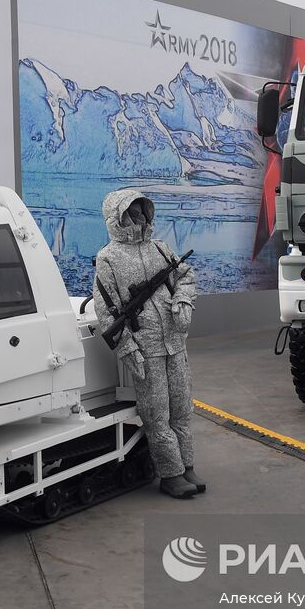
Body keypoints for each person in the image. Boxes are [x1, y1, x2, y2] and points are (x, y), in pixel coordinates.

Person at [93, 191, 203, 499]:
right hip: (146, 347)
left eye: (142, 211)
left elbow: (186, 275)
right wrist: (129, 350)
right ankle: (171, 473)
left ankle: (188, 464)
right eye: (132, 213)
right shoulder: (108, 258)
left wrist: (182, 300)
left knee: (181, 407)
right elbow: (107, 310)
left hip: (174, 343)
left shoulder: (160, 248)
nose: (139, 218)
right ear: (118, 218)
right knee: (157, 414)